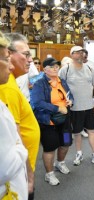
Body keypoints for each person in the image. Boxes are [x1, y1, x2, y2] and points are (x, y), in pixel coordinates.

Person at [0, 32, 40, 200]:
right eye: (26, 54)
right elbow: (15, 136)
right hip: (15, 176)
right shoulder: (7, 86)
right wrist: (29, 175)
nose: (30, 60)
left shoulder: (10, 82)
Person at [58, 46, 94, 166]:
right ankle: (79, 153)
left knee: (92, 131)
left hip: (89, 107)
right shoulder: (65, 69)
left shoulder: (90, 69)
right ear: (72, 55)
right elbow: (59, 87)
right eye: (78, 52)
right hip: (74, 108)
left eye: (82, 52)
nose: (81, 54)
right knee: (77, 133)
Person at [31, 57, 74, 186]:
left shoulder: (63, 81)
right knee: (50, 148)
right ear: (45, 69)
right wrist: (57, 108)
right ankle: (49, 174)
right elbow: (37, 103)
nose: (56, 69)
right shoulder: (39, 84)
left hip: (65, 121)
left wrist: (70, 101)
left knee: (66, 143)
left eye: (57, 66)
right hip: (48, 122)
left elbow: (70, 95)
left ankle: (60, 163)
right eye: (52, 67)